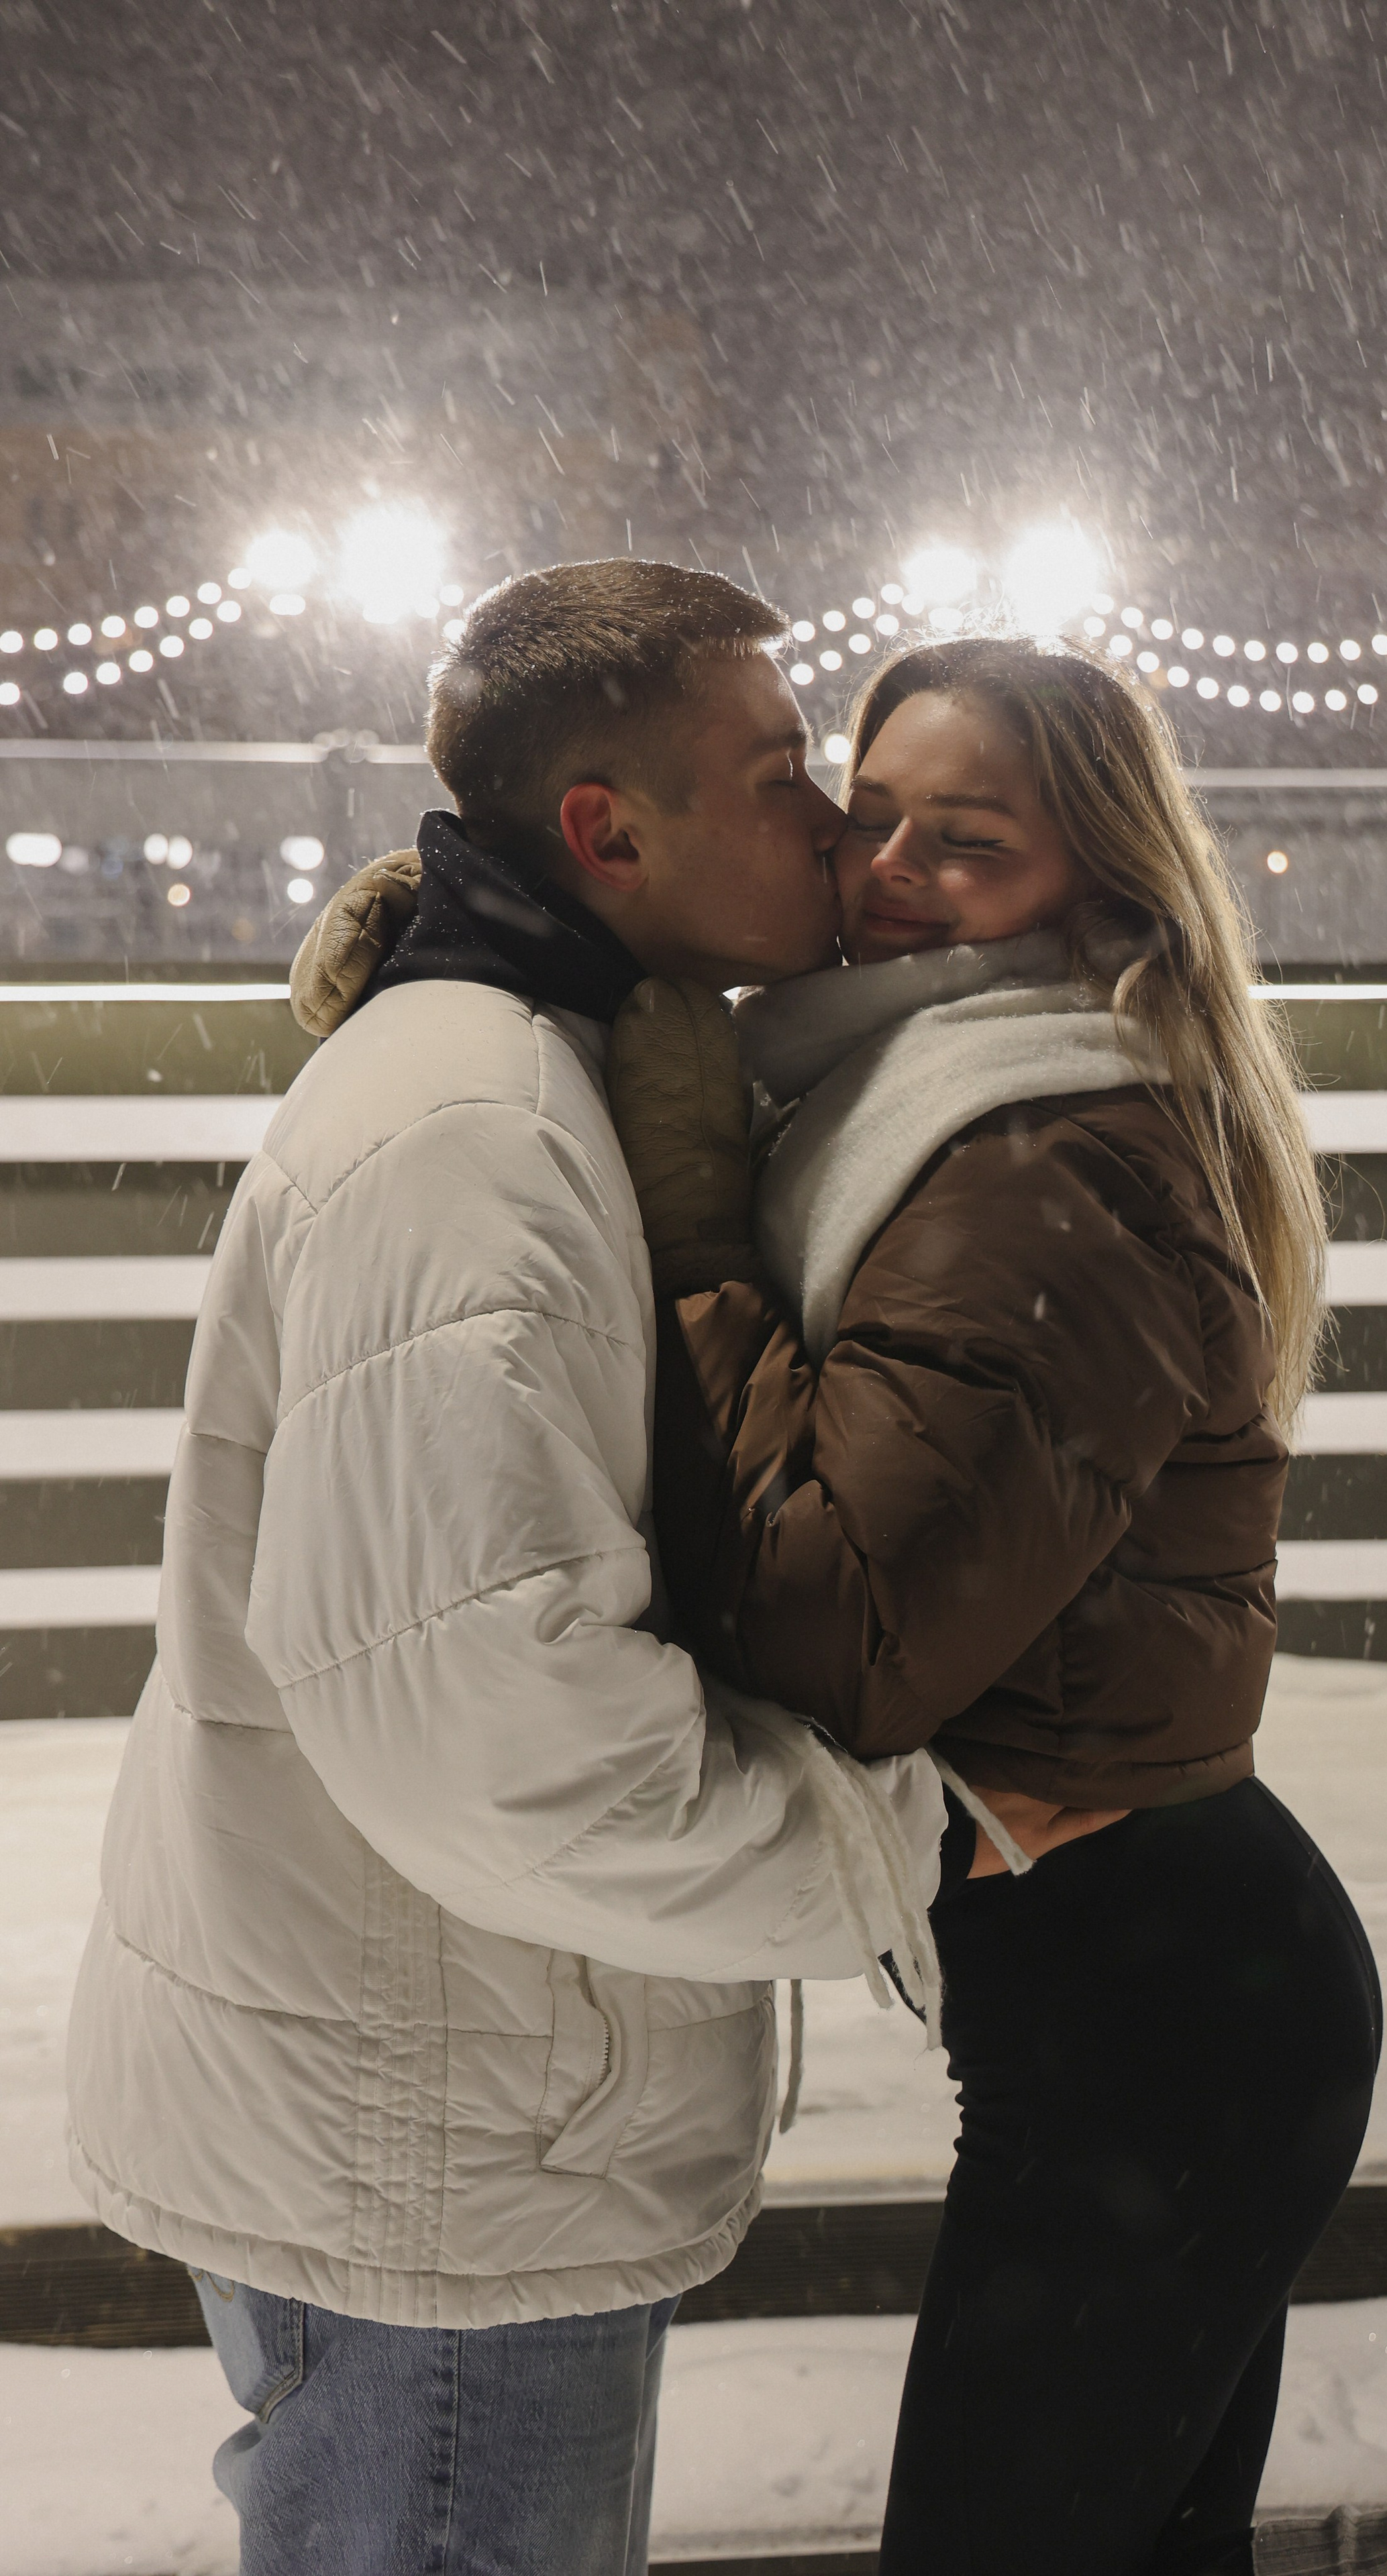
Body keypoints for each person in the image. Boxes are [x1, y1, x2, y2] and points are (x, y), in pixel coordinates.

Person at [62, 559, 956, 2576]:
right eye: (782, 770)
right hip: (442, 2161)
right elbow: (501, 1729)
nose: (827, 821)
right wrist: (892, 1841)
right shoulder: (479, 1128)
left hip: (443, 2108)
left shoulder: (530, 1078)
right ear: (605, 833)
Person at [603, 635, 1386, 2576]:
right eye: (870, 818)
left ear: (1097, 887)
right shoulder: (931, 1093)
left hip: (1165, 2023)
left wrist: (691, 1248)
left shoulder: (1042, 1155)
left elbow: (854, 1625)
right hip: (1153, 1999)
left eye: (965, 842)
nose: (886, 874)